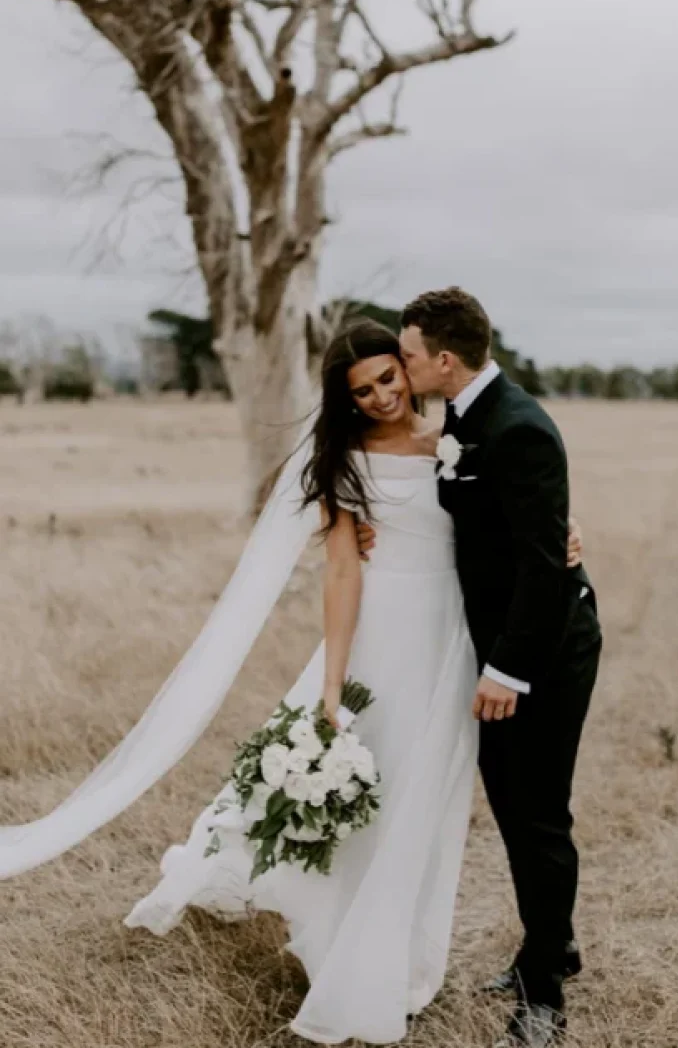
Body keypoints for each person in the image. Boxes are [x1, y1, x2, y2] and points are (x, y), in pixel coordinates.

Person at [123, 317, 585, 1045]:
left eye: (387, 377)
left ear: (414, 369)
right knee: (375, 791)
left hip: (454, 641)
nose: (378, 396)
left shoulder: (458, 447)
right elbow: (342, 573)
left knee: (425, 802)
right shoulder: (347, 464)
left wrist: (565, 532)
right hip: (384, 638)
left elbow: (511, 522)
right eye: (361, 390)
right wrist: (332, 687)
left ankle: (413, 953)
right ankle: (350, 947)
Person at [358, 288, 602, 1047]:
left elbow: (541, 569)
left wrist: (509, 672)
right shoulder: (466, 416)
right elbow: (484, 514)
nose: (398, 366)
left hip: (542, 655)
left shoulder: (519, 427)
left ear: (443, 359)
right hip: (498, 648)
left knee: (536, 817)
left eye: (406, 354)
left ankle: (543, 999)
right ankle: (552, 944)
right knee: (518, 810)